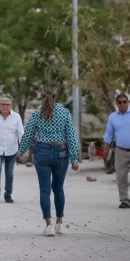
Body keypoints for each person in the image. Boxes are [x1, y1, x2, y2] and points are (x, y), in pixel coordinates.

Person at [17, 84, 79, 237]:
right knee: (58, 189)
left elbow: (29, 134)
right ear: (56, 96)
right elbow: (71, 136)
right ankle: (59, 223)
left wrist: (21, 151)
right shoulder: (64, 113)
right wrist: (74, 159)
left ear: (41, 96)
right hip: (61, 153)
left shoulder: (37, 114)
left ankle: (48, 225)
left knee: (44, 189)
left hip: (42, 152)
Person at [0, 96, 24, 203]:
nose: (5, 106)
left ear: (11, 106)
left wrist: (22, 150)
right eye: (3, 104)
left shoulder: (16, 117)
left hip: (12, 149)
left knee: (9, 173)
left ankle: (8, 195)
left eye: (7, 104)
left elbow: (21, 134)